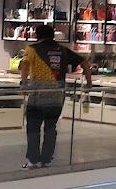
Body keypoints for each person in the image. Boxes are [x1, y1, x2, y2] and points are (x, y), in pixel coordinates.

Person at [19, 24, 93, 169]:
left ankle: (34, 160)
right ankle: (46, 159)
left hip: (37, 96)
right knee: (50, 128)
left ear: (37, 35)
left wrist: (23, 82)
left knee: (33, 128)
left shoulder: (32, 49)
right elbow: (85, 63)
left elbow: (26, 64)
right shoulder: (63, 50)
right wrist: (89, 83)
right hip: (57, 98)